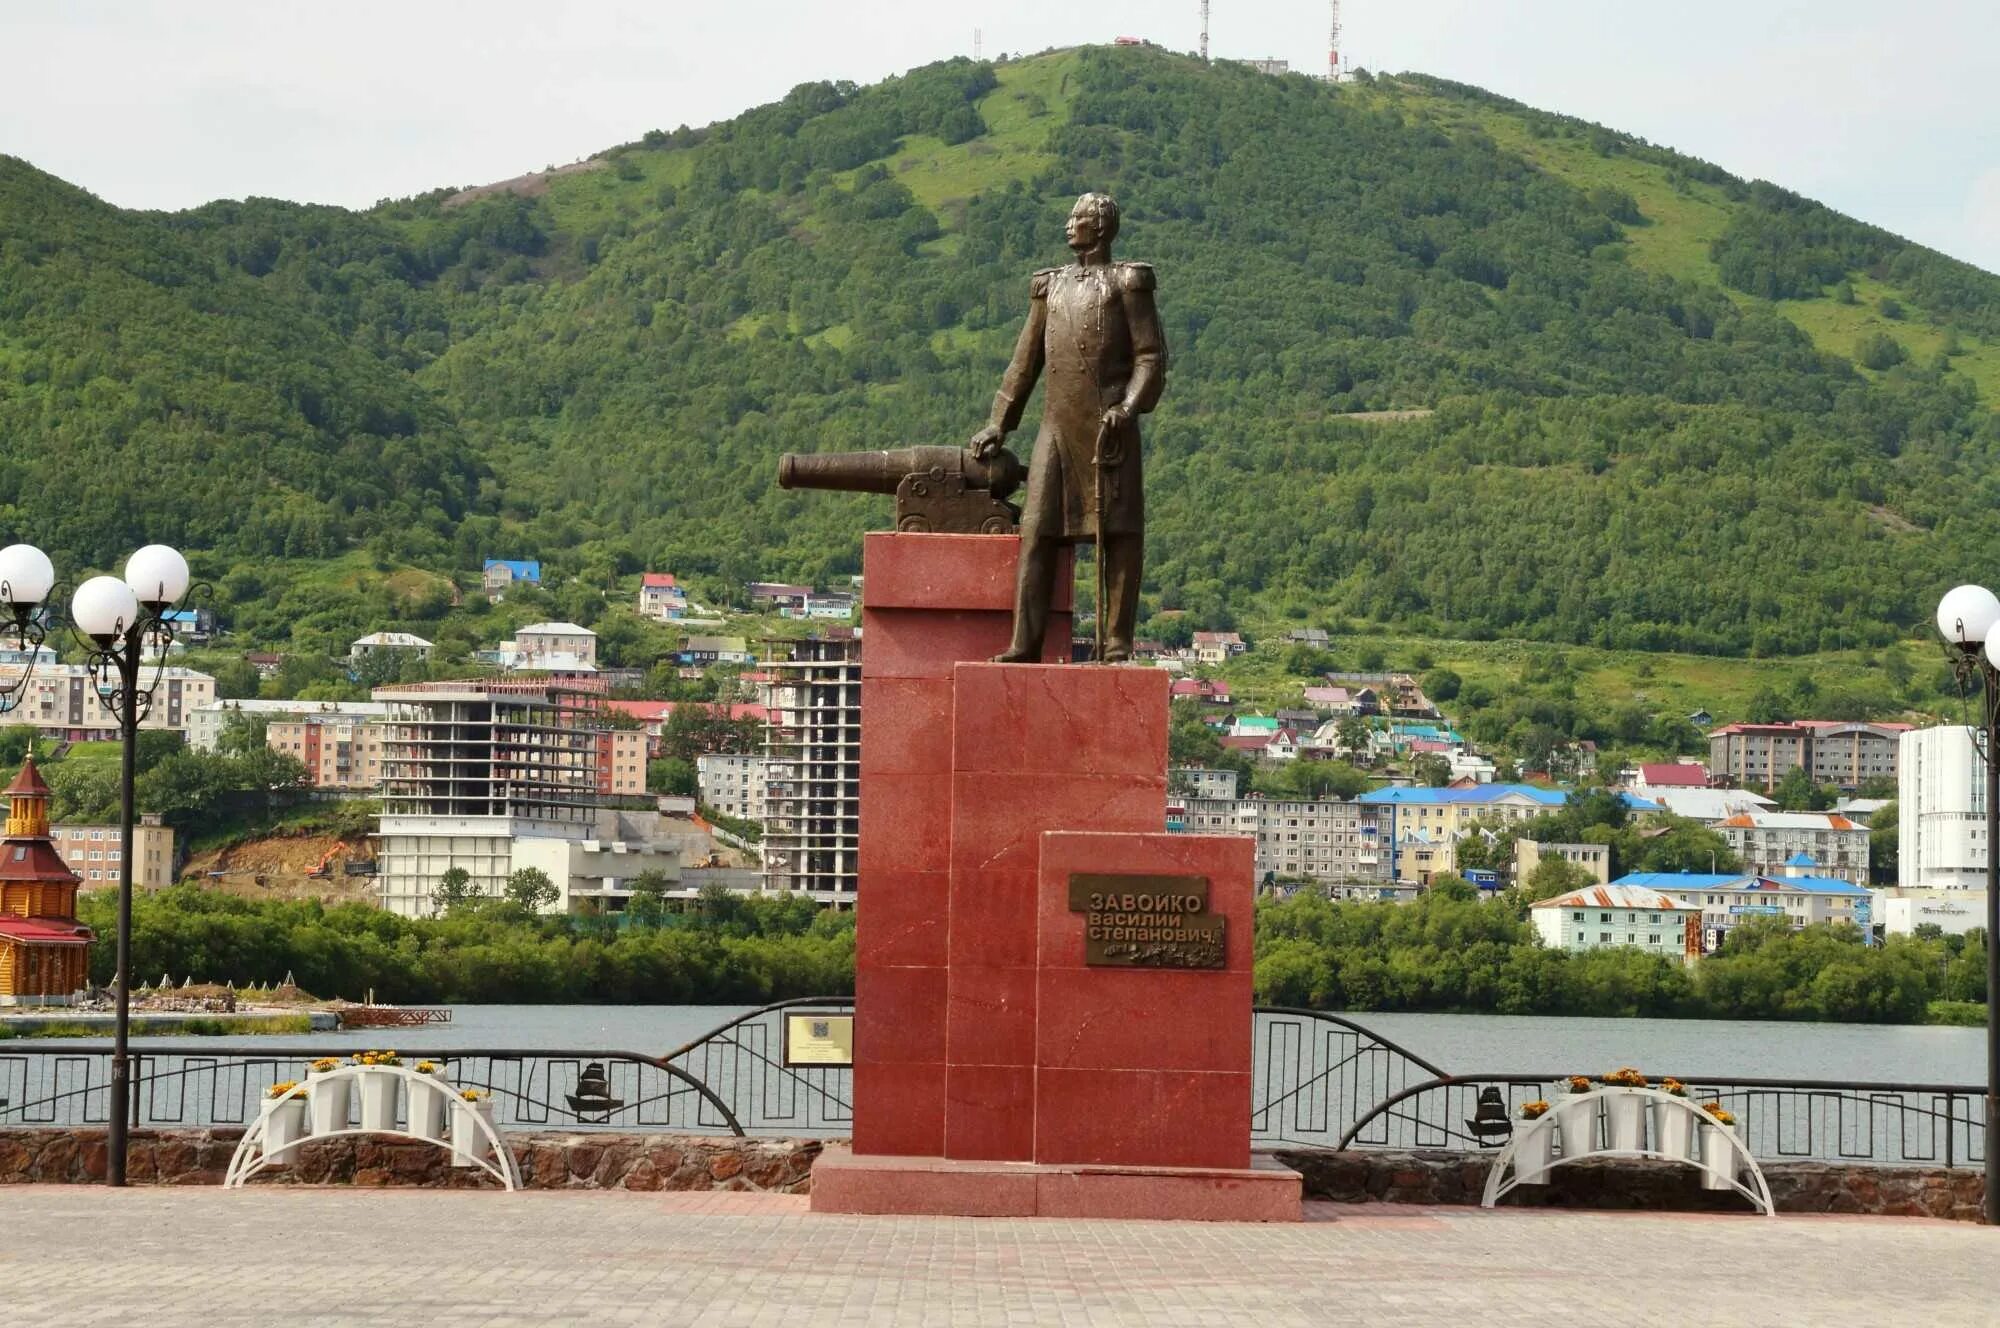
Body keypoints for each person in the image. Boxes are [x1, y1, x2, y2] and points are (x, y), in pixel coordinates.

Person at [969, 191, 1167, 663]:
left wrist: (1128, 407)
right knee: (1037, 531)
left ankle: (1116, 644)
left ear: (1099, 227)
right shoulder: (1050, 287)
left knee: (1119, 535)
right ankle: (1025, 643)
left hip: (1108, 429)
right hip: (1056, 430)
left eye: (1076, 218)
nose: (1068, 224)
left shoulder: (1128, 282)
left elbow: (1150, 357)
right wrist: (999, 423)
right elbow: (1025, 363)